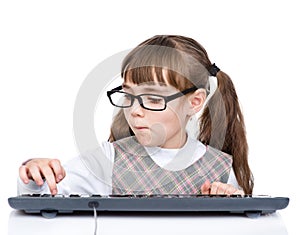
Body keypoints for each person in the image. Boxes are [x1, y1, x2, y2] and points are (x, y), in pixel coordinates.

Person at [18, 35, 254, 196]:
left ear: (194, 102)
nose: (134, 111)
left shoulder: (220, 168)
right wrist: (35, 174)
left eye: (153, 99)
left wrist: (227, 205)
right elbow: (44, 194)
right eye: (129, 96)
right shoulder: (108, 160)